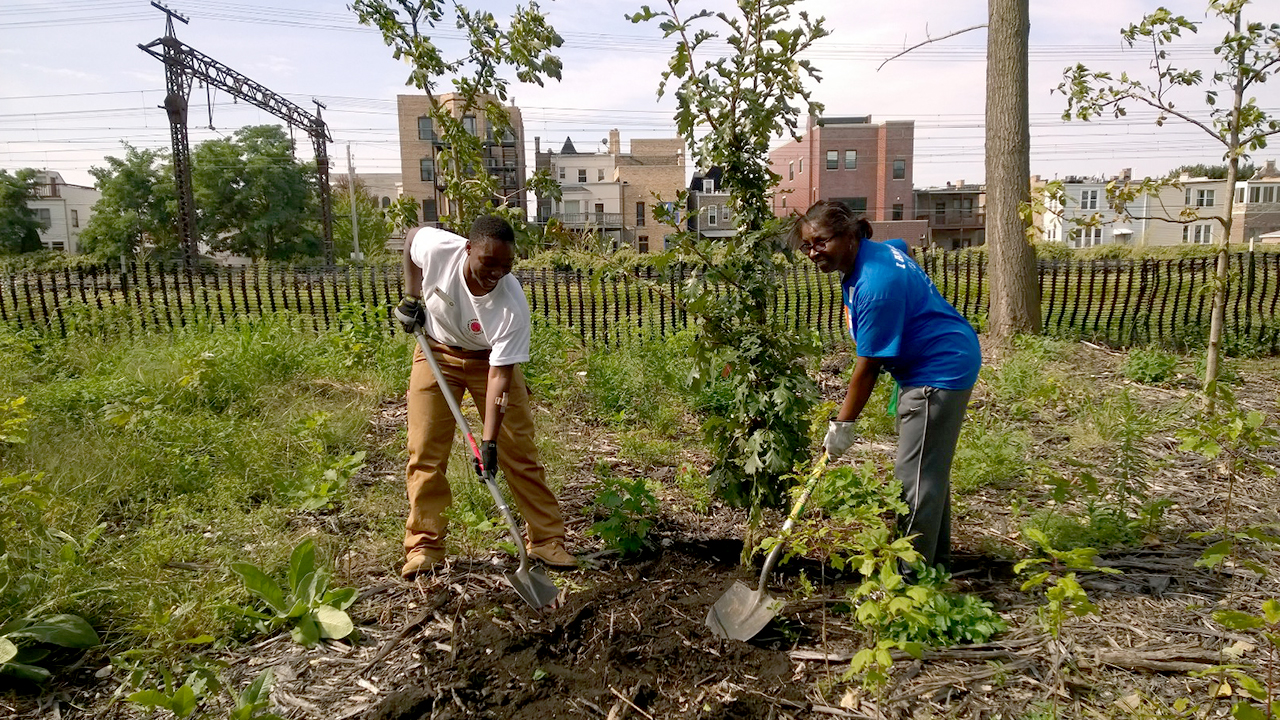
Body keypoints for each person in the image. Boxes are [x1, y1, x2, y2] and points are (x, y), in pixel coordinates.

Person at [794, 200, 981, 576]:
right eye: (807, 246)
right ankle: (935, 565)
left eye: (821, 242)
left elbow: (868, 367)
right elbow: (901, 246)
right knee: (929, 470)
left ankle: (911, 579)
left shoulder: (876, 285)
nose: (814, 252)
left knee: (914, 480)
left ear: (850, 235)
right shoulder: (879, 253)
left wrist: (842, 425)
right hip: (935, 361)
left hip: (937, 373)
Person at [393, 215, 576, 579]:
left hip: (488, 361)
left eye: (505, 266)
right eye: (487, 263)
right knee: (425, 450)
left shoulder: (511, 305)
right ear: (468, 249)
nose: (496, 273)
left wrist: (489, 442)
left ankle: (545, 539)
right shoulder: (438, 248)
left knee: (518, 451)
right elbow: (411, 239)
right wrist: (411, 297)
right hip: (437, 351)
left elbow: (500, 376)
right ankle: (425, 545)